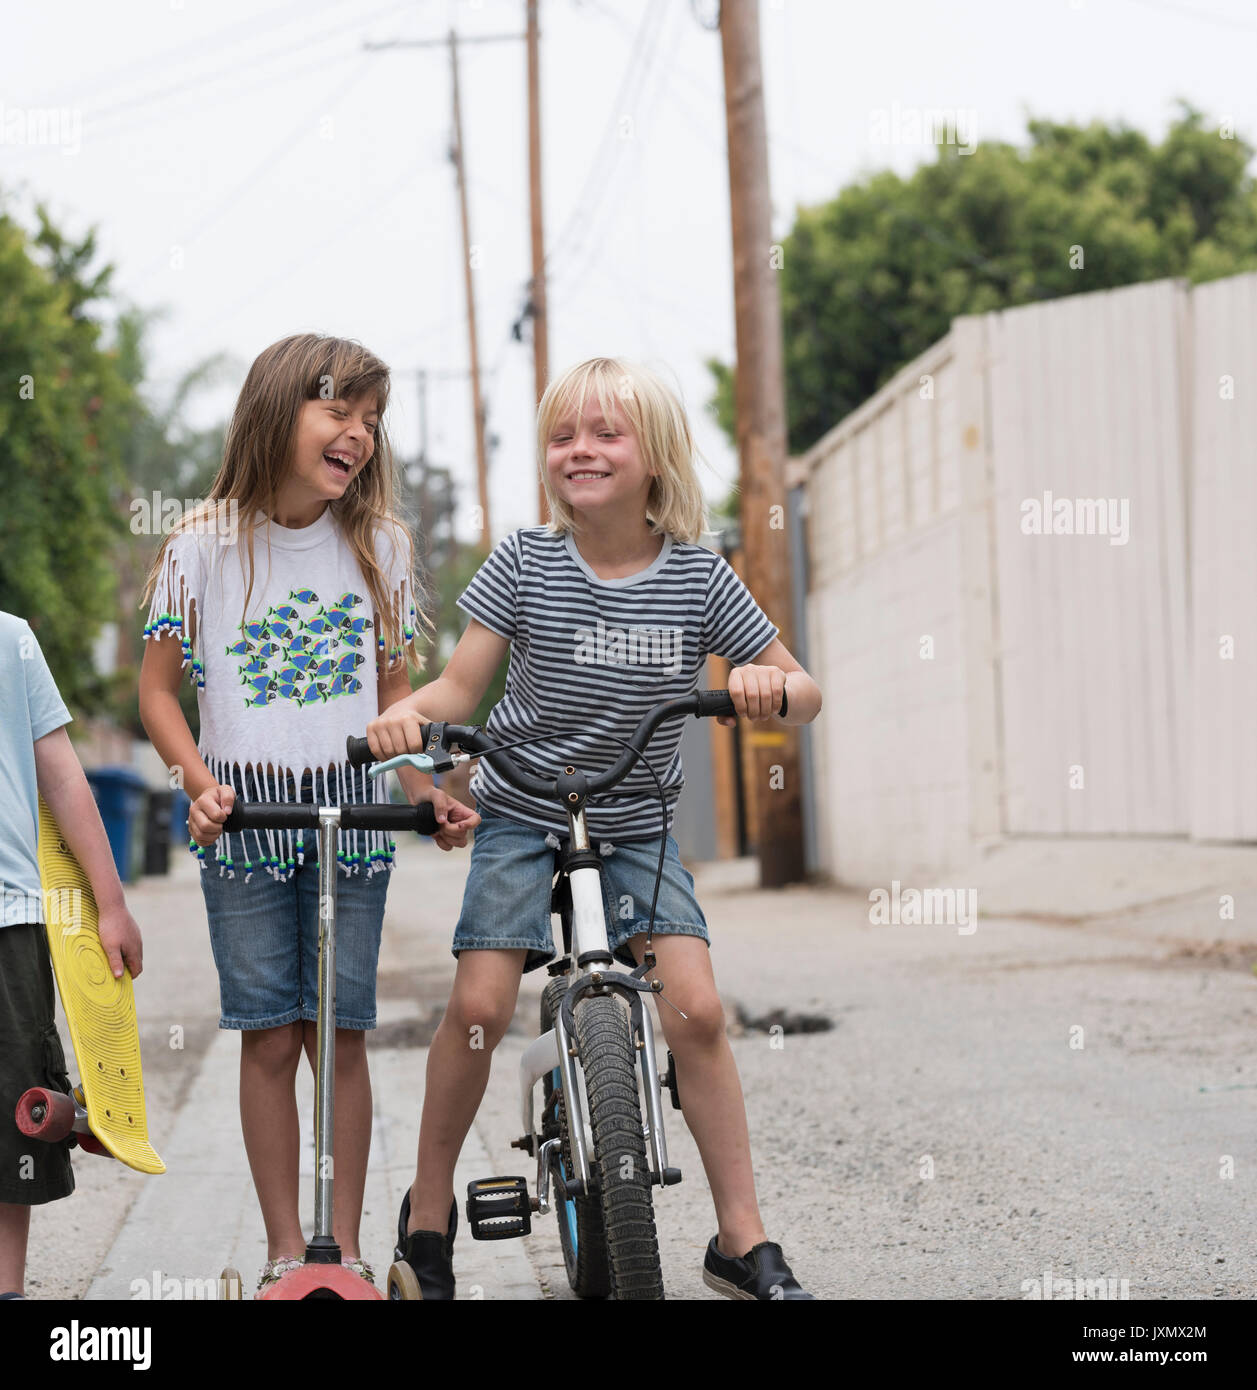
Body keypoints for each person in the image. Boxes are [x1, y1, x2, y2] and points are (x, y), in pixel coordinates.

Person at [368, 356, 823, 1300]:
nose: (580, 450)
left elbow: (804, 691)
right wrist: (407, 717)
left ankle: (740, 1236)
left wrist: (762, 684)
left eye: (605, 433)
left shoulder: (699, 575)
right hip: (524, 811)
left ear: (654, 456)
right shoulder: (525, 562)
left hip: (636, 824)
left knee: (695, 1008)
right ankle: (425, 1217)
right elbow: (461, 688)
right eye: (563, 435)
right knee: (482, 1009)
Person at [137, 333, 478, 1292]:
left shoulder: (382, 548)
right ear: (276, 411)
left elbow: (395, 696)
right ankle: (289, 1252)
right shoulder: (200, 544)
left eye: (371, 420)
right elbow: (157, 692)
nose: (358, 434)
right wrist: (196, 783)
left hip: (351, 821)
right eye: (339, 411)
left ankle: (351, 1253)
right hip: (241, 821)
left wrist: (425, 792)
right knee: (270, 1032)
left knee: (342, 1030)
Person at [0, 611, 145, 1300]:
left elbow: (62, 776)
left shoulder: (10, 640)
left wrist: (109, 904)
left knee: (12, 1113)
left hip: (8, 918)